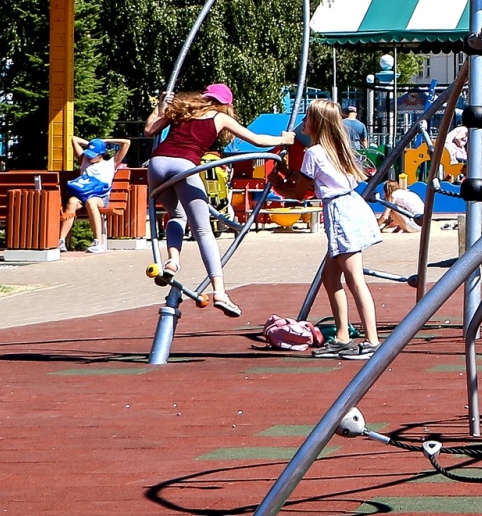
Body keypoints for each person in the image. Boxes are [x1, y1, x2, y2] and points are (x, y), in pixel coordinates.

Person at [143, 84, 292, 317]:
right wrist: (283, 138)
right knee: (203, 231)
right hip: (184, 164)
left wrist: (161, 106)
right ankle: (220, 292)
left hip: (158, 164)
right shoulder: (220, 117)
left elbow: (149, 129)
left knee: (177, 215)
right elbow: (256, 140)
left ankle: (172, 261)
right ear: (224, 103)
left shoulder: (182, 111)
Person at [296, 97, 384, 357]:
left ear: (317, 123)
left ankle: (372, 340)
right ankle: (343, 335)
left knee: (354, 278)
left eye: (307, 117)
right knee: (330, 276)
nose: (303, 121)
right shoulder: (336, 148)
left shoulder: (313, 153)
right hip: (349, 207)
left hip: (340, 213)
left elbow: (300, 191)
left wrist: (278, 181)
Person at [60, 135, 130, 253]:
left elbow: (126, 142)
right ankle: (61, 241)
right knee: (72, 201)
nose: (89, 156)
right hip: (82, 196)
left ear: (101, 154)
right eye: (88, 153)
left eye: (93, 154)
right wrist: (93, 144)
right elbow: (74, 139)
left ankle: (98, 242)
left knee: (91, 201)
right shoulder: (84, 161)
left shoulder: (110, 163)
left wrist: (105, 141)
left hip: (100, 197)